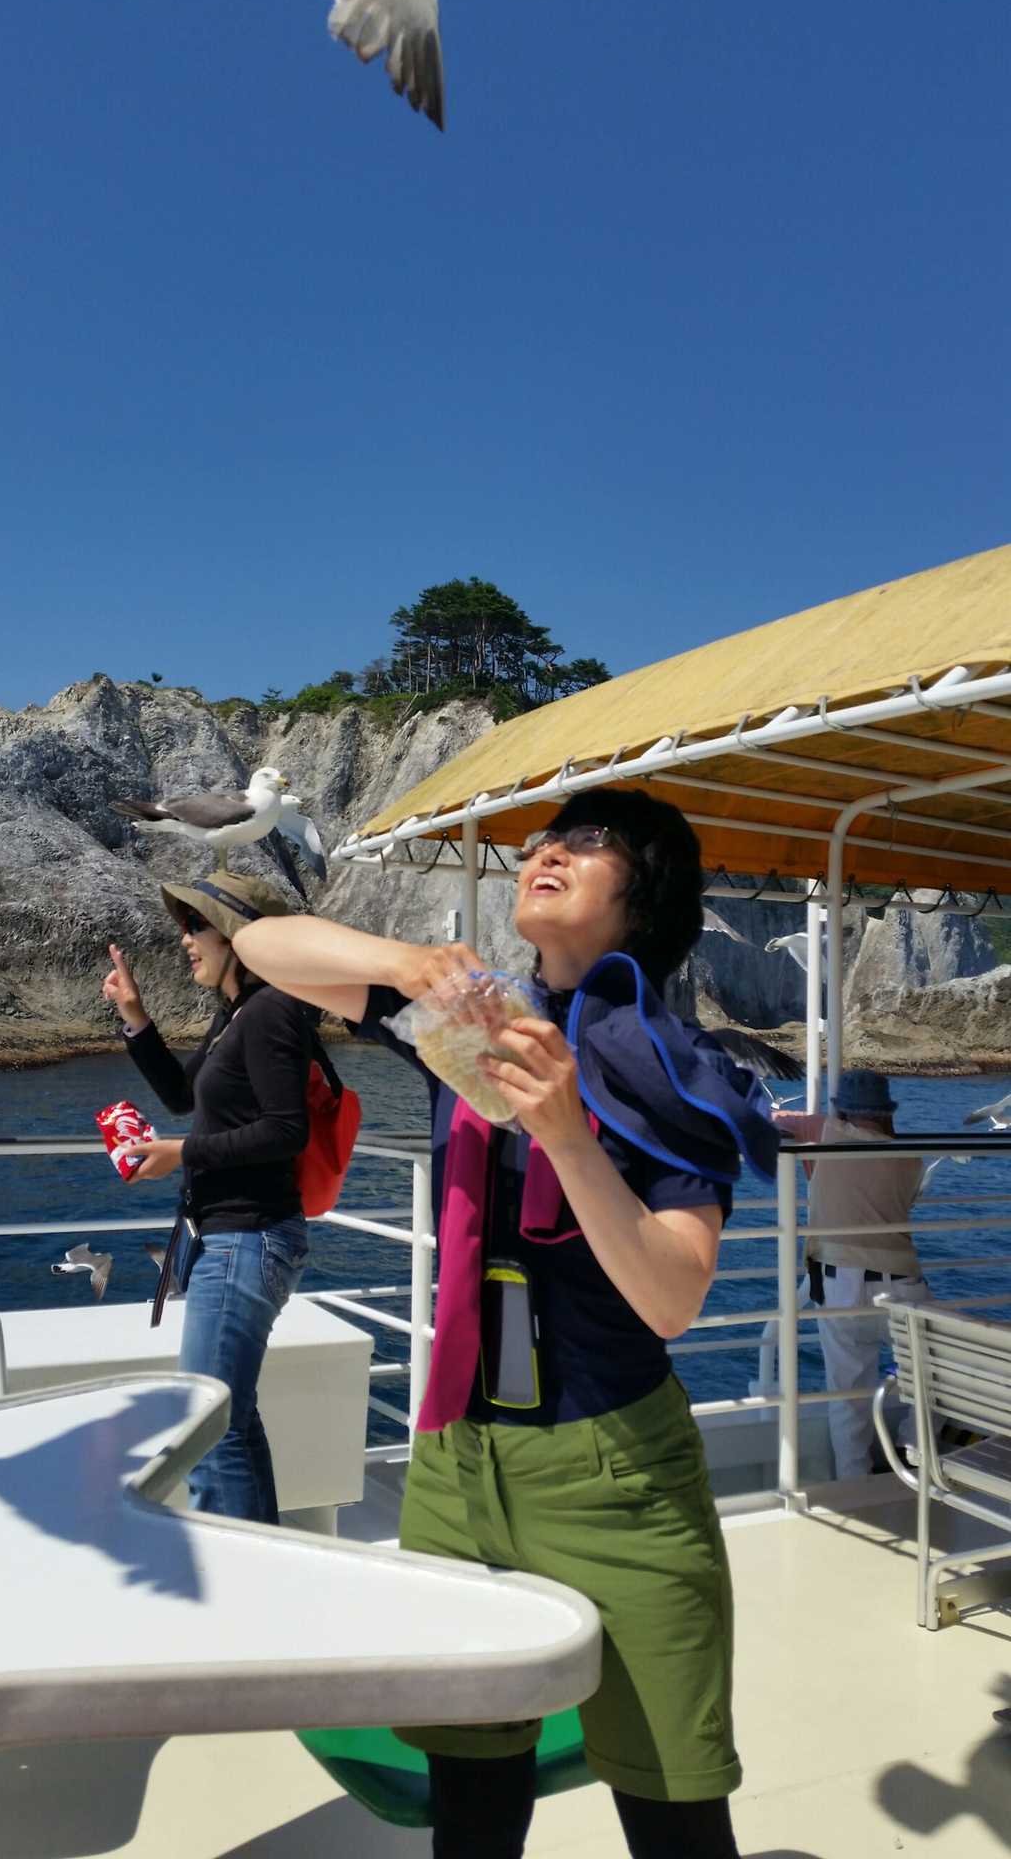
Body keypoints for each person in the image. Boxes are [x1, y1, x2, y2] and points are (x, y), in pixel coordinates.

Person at [233, 789, 779, 1859]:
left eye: (589, 841)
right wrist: (406, 964)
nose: (547, 851)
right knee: (472, 1811)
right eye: (544, 838)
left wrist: (569, 1136)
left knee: (673, 1811)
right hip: (457, 1466)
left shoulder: (674, 1069)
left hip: (618, 1478)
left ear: (646, 895)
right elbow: (261, 946)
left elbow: (673, 1297)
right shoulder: (472, 1026)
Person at [102, 869, 312, 1523]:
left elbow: (286, 1130)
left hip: (247, 1238)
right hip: (229, 1238)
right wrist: (135, 1015)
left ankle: (239, 1570)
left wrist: (182, 1153)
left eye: (197, 925)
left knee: (209, 1425)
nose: (185, 939)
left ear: (237, 936)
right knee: (229, 1420)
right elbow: (181, 1097)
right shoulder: (237, 1014)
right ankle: (264, 1560)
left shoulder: (271, 1010)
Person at [776, 1070, 934, 1479]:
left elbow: (770, 1122)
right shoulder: (910, 1158)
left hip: (839, 1283)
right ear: (885, 1112)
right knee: (932, 1377)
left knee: (847, 1396)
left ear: (842, 1109)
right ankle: (911, 1451)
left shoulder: (822, 1131)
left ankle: (854, 1480)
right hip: (902, 1285)